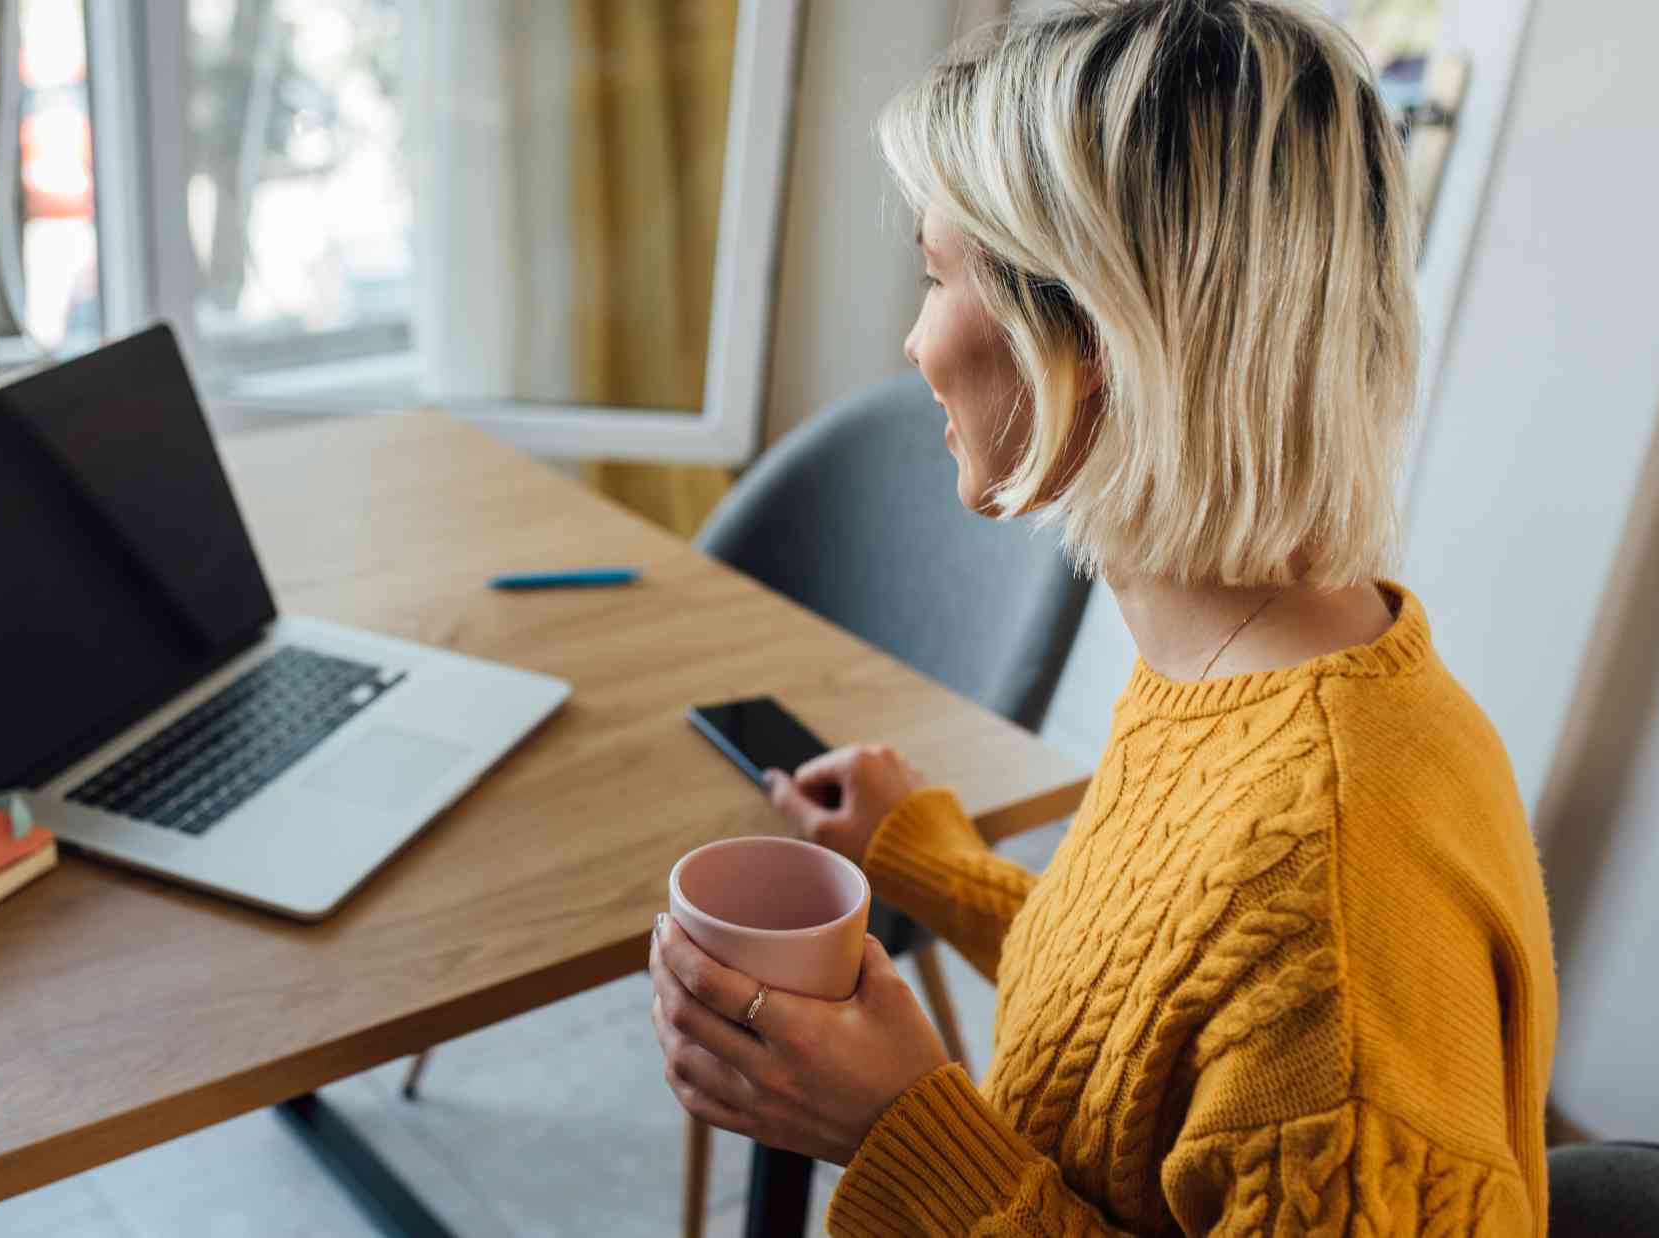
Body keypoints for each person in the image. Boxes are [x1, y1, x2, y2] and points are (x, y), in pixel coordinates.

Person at [647, 1, 1556, 1232]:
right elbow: (1155, 1012)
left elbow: (1267, 978)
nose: (914, 343)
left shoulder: (1341, 897)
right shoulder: (1250, 672)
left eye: (936, 277)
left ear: (1091, 335)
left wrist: (900, 1132)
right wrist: (934, 861)